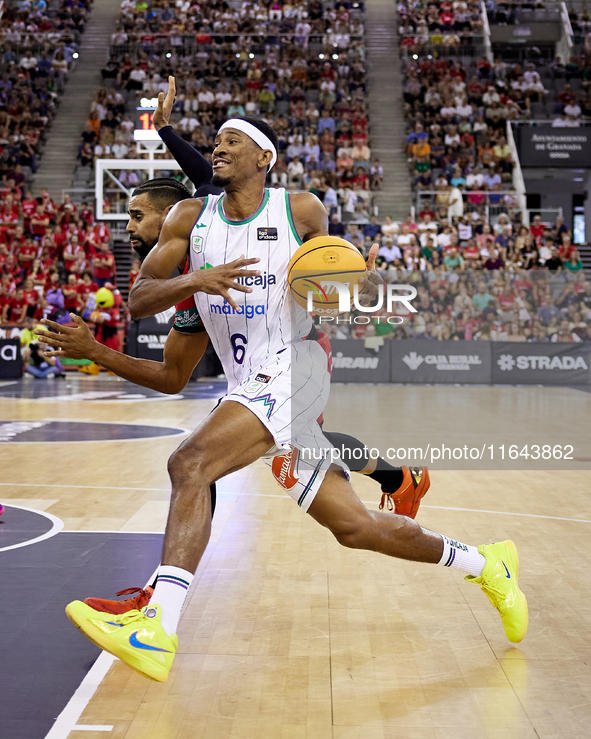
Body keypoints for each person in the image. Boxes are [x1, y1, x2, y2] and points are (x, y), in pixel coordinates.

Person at [61, 117, 527, 681]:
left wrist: (343, 289)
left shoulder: (299, 210)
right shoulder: (189, 218)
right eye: (217, 141)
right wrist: (188, 285)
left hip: (297, 366)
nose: (219, 147)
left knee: (190, 463)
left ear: (265, 158)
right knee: (354, 527)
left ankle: (157, 623)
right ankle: (487, 562)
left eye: (233, 141)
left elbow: (335, 283)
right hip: (248, 385)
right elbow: (142, 310)